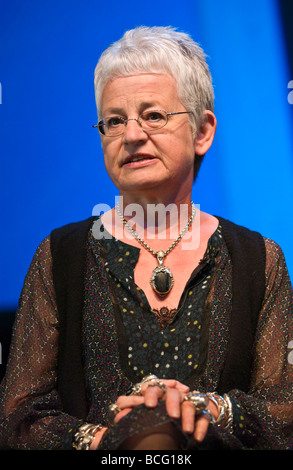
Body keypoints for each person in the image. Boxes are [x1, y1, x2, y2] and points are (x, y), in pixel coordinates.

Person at [0, 25, 292, 451]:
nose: (132, 135)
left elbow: (285, 411)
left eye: (153, 115)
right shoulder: (61, 256)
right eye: (114, 121)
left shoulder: (258, 259)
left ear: (202, 132)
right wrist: (114, 442)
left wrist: (205, 409)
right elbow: (17, 418)